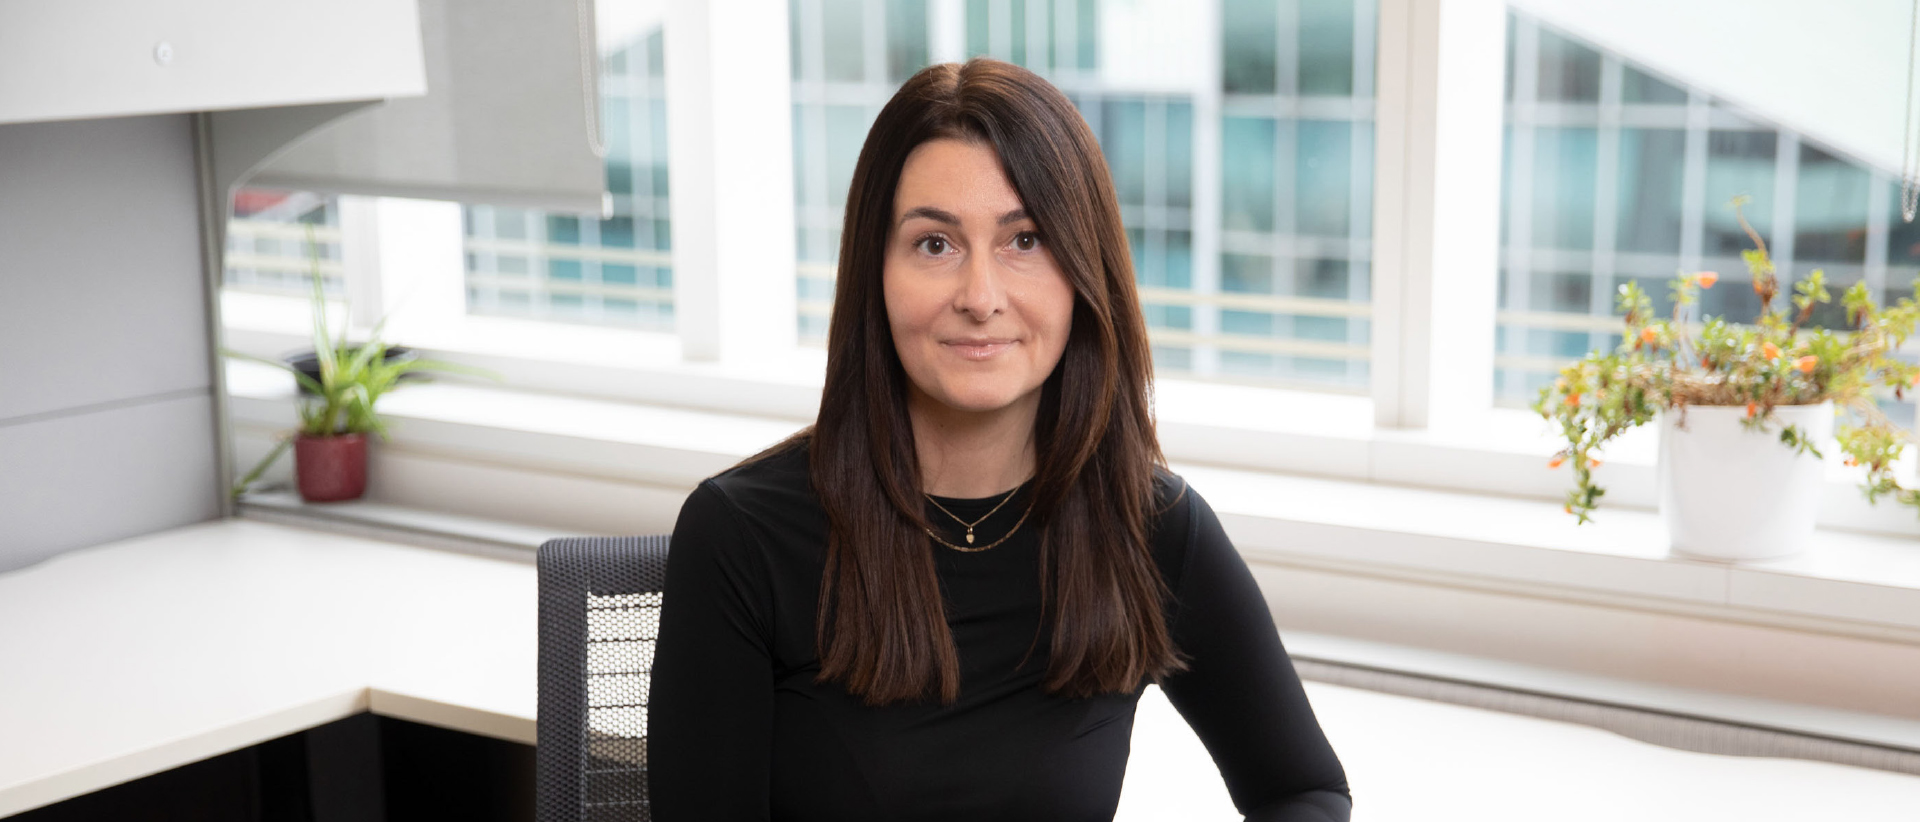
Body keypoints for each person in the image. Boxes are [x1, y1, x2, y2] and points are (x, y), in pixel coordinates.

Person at [646, 57, 1350, 822]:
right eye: (935, 245)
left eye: (1025, 240)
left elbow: (1303, 789)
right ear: (875, 273)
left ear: (1084, 273)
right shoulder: (742, 536)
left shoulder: (1148, 526)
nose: (981, 298)